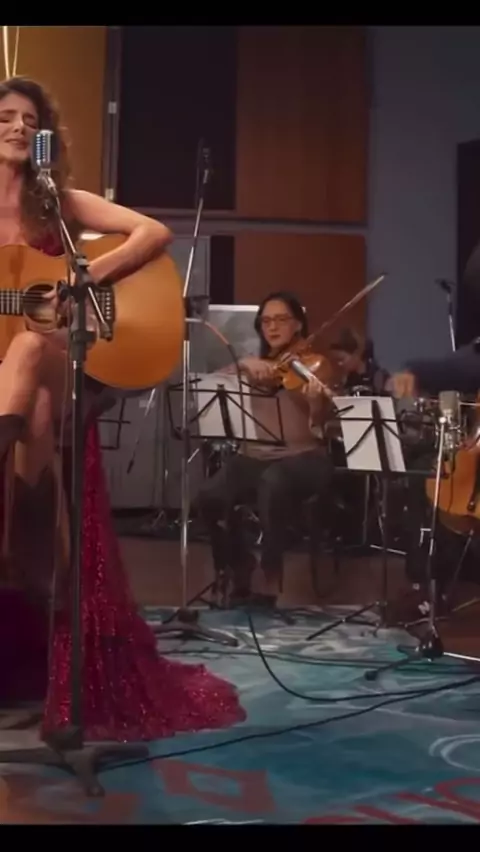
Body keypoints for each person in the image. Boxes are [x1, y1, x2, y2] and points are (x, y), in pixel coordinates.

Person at [0, 75, 245, 739]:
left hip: (64, 362)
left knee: (30, 347)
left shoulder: (58, 205)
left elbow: (152, 233)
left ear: (43, 136)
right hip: (24, 394)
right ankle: (39, 582)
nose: (18, 128)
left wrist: (88, 279)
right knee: (33, 402)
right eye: (6, 118)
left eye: (30, 121)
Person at [196, 291, 336, 608]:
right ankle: (238, 564)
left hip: (304, 457)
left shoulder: (315, 365)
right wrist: (244, 364)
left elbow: (322, 425)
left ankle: (270, 575)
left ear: (298, 325)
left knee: (273, 482)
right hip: (254, 456)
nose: (272, 327)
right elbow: (214, 384)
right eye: (266, 321)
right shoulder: (256, 366)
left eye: (281, 320)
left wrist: (315, 403)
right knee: (209, 496)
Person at [328, 327, 390, 394]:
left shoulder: (378, 377)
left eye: (342, 359)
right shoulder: (347, 380)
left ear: (356, 354)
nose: (339, 364)